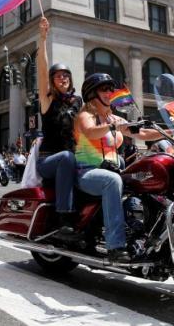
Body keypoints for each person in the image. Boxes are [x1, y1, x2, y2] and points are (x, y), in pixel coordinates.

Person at [75, 73, 165, 262]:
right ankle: (115, 246)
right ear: (92, 94)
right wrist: (111, 126)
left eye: (110, 88)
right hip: (87, 172)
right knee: (113, 180)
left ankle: (141, 231)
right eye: (104, 89)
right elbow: (91, 132)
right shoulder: (86, 115)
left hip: (110, 169)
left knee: (144, 178)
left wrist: (168, 132)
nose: (109, 92)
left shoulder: (114, 119)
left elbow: (142, 133)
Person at [35, 17, 84, 235]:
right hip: (48, 160)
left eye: (66, 75)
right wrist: (43, 38)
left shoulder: (78, 102)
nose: (62, 78)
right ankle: (64, 216)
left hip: (74, 156)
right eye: (58, 76)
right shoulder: (48, 100)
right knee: (66, 157)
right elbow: (43, 71)